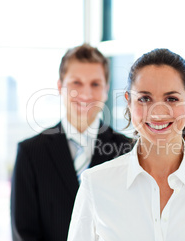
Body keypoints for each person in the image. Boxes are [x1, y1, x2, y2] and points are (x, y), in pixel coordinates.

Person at [67, 48, 185, 241]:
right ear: (129, 102)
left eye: (171, 99)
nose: (158, 112)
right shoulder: (95, 184)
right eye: (145, 99)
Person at [10, 44, 132, 241]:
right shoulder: (31, 153)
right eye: (76, 83)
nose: (85, 94)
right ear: (60, 86)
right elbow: (23, 233)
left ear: (106, 89)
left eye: (95, 84)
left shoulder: (127, 150)